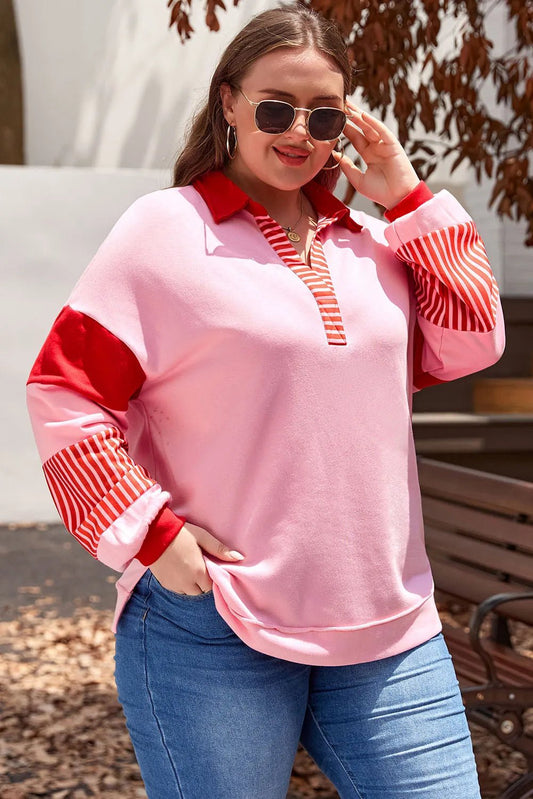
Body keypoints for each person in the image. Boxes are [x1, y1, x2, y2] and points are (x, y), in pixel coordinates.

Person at [26, 4, 505, 798]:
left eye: (324, 115)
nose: (299, 132)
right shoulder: (165, 231)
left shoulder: (374, 247)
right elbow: (64, 390)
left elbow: (472, 340)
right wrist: (152, 535)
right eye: (275, 109)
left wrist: (405, 194)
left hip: (388, 625)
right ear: (229, 102)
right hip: (216, 620)